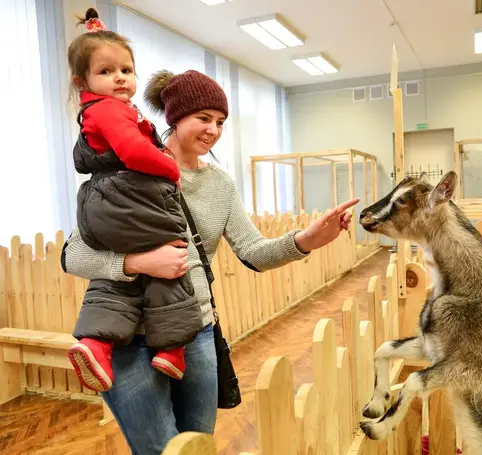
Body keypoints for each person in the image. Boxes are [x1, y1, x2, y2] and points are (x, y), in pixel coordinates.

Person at [61, 55, 359, 455]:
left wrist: (307, 239)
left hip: (194, 332)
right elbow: (72, 255)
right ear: (176, 116)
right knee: (157, 450)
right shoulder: (125, 170)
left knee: (197, 446)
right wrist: (136, 264)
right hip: (126, 339)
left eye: (221, 122)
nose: (214, 130)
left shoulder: (219, 184)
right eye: (204, 118)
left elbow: (254, 251)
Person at [64, 8, 203, 393]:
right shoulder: (110, 111)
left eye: (126, 69)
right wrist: (170, 168)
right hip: (128, 199)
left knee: (119, 281)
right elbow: (134, 153)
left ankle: (96, 342)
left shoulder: (98, 114)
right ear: (82, 81)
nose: (120, 78)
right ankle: (172, 347)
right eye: (106, 71)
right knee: (173, 253)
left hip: (107, 204)